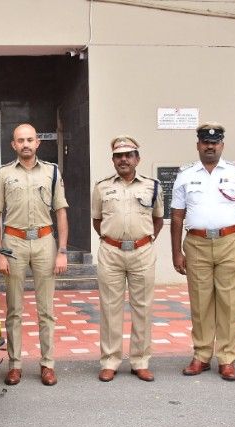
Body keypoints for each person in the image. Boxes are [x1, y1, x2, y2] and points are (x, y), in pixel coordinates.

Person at [170, 122, 235, 381]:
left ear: (222, 145)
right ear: (198, 145)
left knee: (229, 302)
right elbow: (177, 217)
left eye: (215, 142)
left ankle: (227, 358)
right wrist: (176, 252)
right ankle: (201, 355)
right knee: (200, 302)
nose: (210, 146)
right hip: (196, 243)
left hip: (230, 241)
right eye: (205, 142)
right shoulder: (186, 174)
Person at [0, 123, 69, 386]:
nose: (25, 144)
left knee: (46, 310)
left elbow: (61, 212)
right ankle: (15, 364)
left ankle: (47, 364)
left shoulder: (52, 172)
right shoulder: (3, 174)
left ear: (37, 143)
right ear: (13, 145)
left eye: (30, 139)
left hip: (45, 241)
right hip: (14, 243)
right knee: (14, 309)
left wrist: (62, 251)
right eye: (20, 140)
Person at [91, 135, 164, 382]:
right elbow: (97, 220)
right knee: (110, 307)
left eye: (128, 155)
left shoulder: (152, 186)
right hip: (110, 251)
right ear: (113, 160)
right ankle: (110, 360)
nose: (123, 160)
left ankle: (140, 360)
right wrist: (113, 240)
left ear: (137, 159)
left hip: (142, 251)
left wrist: (142, 240)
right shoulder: (101, 187)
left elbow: (157, 219)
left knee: (142, 307)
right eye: (118, 156)